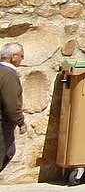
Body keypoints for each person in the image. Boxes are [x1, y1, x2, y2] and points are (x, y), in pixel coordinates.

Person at [0, 42, 26, 172]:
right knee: (7, 152)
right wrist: (20, 121)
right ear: (14, 57)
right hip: (2, 124)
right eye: (21, 56)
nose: (22, 59)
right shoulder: (8, 75)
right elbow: (11, 103)